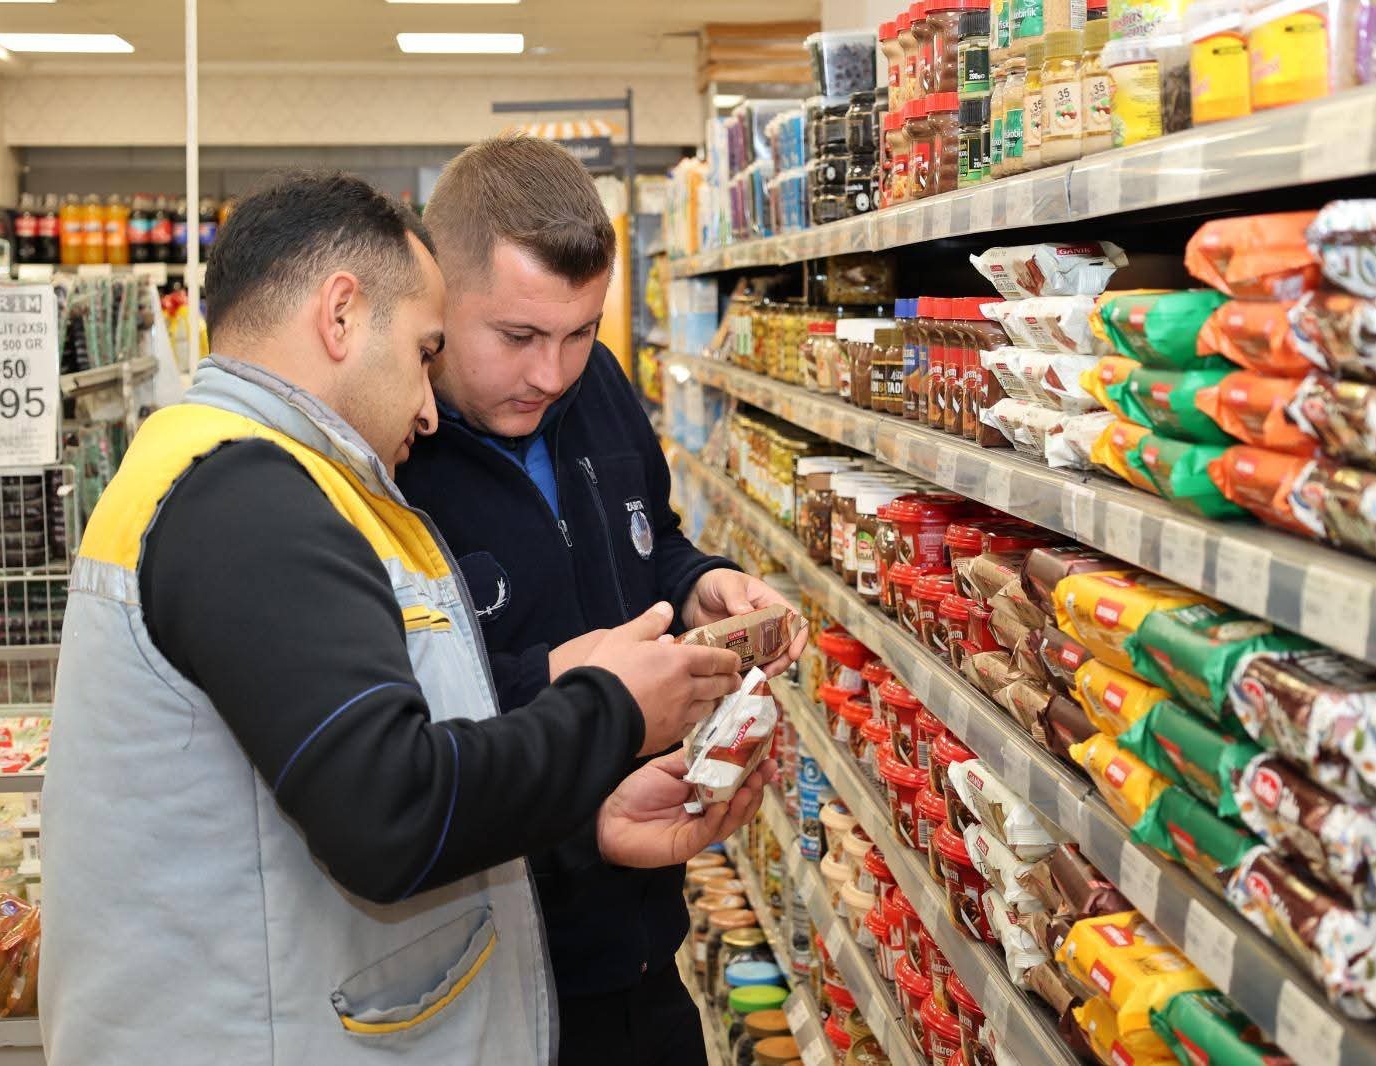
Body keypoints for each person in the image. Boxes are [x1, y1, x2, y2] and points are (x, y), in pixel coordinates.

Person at [40, 171, 769, 1066]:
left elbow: (331, 781)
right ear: (341, 315)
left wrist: (599, 815)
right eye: (427, 351)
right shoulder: (249, 501)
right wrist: (609, 708)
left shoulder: (212, 468)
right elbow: (391, 810)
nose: (428, 407)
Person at [397, 135, 807, 1066]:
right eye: (518, 338)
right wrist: (568, 677)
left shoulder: (598, 389)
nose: (551, 374)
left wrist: (698, 583)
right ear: (437, 302)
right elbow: (392, 728)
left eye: (580, 331)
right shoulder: (387, 454)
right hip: (478, 970)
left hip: (639, 930)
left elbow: (646, 538)